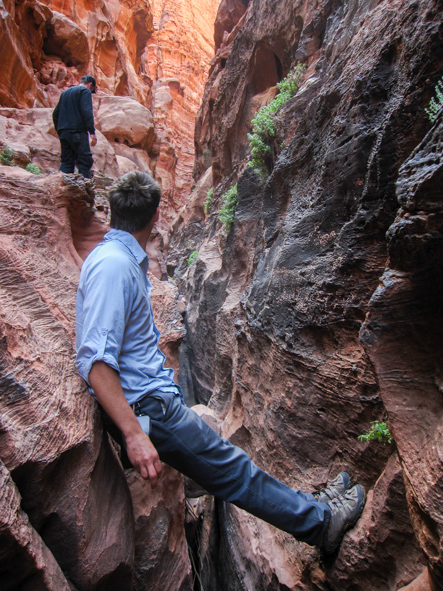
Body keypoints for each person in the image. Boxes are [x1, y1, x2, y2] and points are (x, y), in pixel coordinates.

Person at [75, 171, 365, 554]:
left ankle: (312, 506)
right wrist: (133, 434)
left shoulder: (117, 259)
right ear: (156, 214)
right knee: (234, 472)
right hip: (147, 410)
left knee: (232, 463)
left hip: (150, 404)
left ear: (112, 211)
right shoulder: (115, 265)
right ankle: (320, 524)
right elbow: (96, 361)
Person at [52, 74, 97, 179]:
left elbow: (55, 114)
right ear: (90, 84)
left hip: (64, 132)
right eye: (92, 89)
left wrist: (60, 130)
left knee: (67, 162)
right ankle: (86, 191)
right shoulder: (84, 91)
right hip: (77, 131)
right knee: (84, 162)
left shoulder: (65, 93)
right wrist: (92, 132)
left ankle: (62, 187)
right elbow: (87, 112)